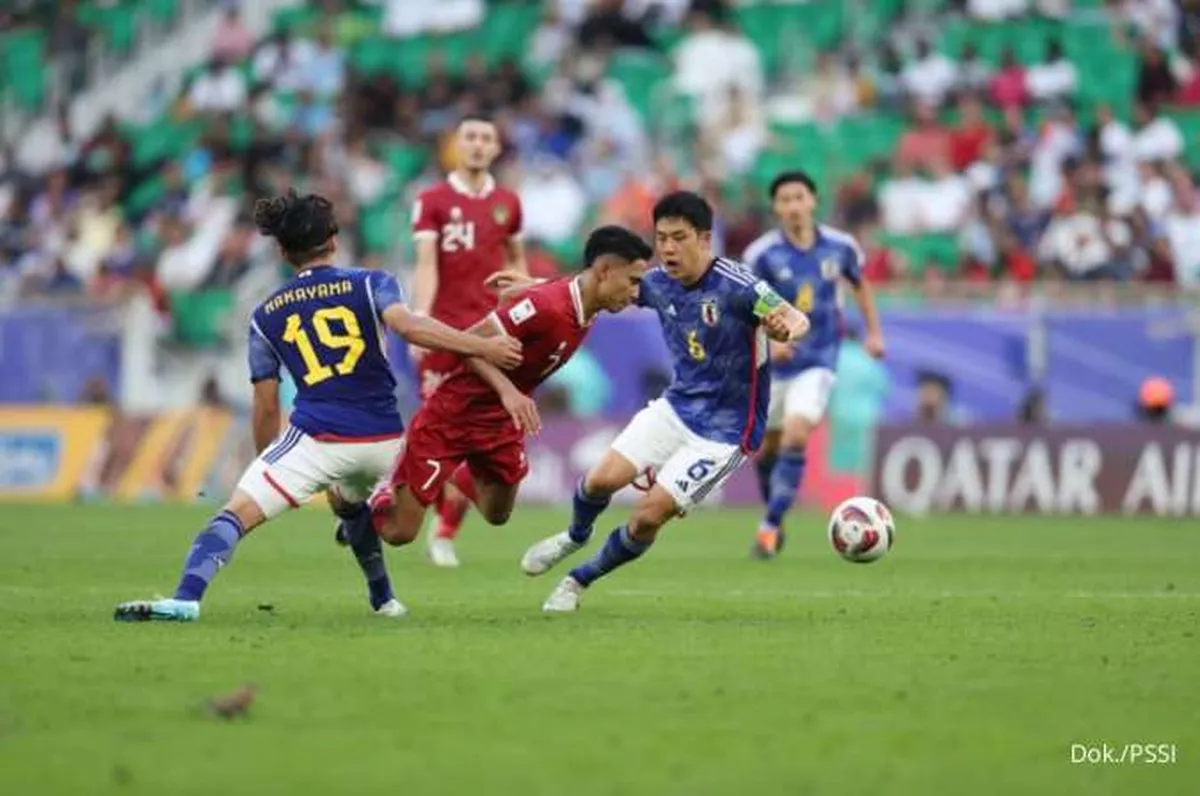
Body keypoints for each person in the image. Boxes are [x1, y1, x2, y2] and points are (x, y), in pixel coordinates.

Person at [113, 191, 522, 623]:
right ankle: (384, 599)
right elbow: (409, 327)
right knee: (347, 502)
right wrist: (483, 346)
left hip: (318, 438)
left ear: (282, 251)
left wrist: (265, 462)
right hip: (384, 439)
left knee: (233, 516)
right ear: (333, 238)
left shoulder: (266, 314)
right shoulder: (372, 283)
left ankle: (186, 598)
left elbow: (266, 403)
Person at [519, 191, 811, 612]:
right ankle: (574, 536)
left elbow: (795, 317)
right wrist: (532, 288)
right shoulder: (655, 283)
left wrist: (785, 329)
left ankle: (578, 581)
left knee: (646, 516)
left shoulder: (739, 285)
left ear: (704, 238)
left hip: (727, 432)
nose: (668, 248)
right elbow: (595, 290)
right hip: (675, 408)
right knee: (600, 481)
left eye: (679, 237)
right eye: (661, 238)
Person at [366, 226, 653, 549]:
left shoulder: (587, 304)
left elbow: (565, 288)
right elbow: (470, 343)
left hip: (500, 423)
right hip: (455, 414)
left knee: (497, 513)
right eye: (633, 281)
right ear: (604, 271)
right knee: (399, 533)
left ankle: (458, 470)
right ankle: (375, 495)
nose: (635, 293)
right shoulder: (546, 306)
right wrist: (508, 392)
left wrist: (535, 287)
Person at [741, 171, 884, 559]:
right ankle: (776, 515)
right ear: (776, 207)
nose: (792, 206)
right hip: (773, 365)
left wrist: (873, 332)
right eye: (784, 200)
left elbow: (860, 285)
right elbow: (745, 305)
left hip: (819, 358)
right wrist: (770, 341)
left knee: (797, 433)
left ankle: (768, 527)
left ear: (813, 200)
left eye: (798, 197)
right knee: (766, 449)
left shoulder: (841, 247)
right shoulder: (761, 254)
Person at [408, 115, 528, 567]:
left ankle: (444, 531)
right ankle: (426, 520)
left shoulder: (508, 204)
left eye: (486, 138)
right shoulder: (432, 201)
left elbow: (516, 262)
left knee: (483, 435)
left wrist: (525, 302)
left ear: (496, 148)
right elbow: (427, 264)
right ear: (456, 146)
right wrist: (420, 318)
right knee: (437, 432)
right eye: (470, 138)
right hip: (444, 333)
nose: (477, 145)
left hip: (493, 336)